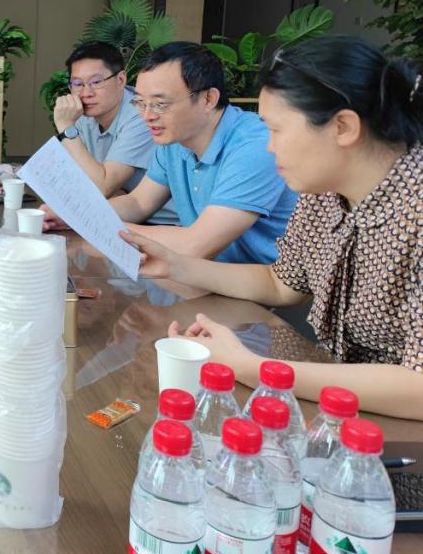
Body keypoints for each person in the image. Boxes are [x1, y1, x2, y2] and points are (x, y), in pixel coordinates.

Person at [124, 36, 423, 421]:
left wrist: (253, 368)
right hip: (343, 413)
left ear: (343, 127)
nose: (268, 147)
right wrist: (178, 266)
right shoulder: (324, 194)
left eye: (276, 130)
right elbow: (281, 283)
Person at [49, 41, 296, 263]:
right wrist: (75, 215)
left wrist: (98, 225)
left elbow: (196, 244)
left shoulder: (254, 146)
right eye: (140, 103)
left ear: (208, 98)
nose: (147, 115)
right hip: (206, 274)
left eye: (160, 104)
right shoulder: (175, 139)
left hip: (261, 286)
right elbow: (138, 202)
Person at [45, 41, 176, 223]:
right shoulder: (84, 115)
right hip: (118, 213)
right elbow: (72, 178)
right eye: (78, 83)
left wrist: (67, 128)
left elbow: (102, 187)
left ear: (121, 79)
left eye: (96, 82)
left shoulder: (141, 115)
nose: (86, 93)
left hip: (161, 224)